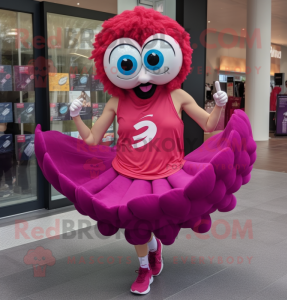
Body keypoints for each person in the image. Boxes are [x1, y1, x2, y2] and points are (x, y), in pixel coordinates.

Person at [34, 7, 256, 295]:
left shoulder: (177, 95)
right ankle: (144, 266)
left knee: (156, 218)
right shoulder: (116, 101)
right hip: (127, 173)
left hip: (169, 172)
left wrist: (220, 105)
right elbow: (91, 141)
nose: (142, 75)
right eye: (128, 63)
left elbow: (210, 125)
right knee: (136, 223)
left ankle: (154, 248)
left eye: (151, 59)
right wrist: (77, 116)